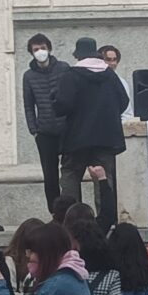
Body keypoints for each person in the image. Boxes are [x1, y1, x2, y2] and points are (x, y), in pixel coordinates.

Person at [60, 36, 131, 225]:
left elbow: (62, 105)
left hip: (76, 138)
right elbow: (123, 101)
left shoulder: (71, 75)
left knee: (70, 176)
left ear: (78, 55)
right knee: (103, 181)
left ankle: (71, 221)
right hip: (105, 139)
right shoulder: (110, 75)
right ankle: (107, 224)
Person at [20, 34, 73, 214]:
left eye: (42, 48)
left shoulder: (64, 68)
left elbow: (73, 95)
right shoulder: (28, 76)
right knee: (49, 175)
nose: (40, 52)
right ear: (31, 53)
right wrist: (33, 129)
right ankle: (55, 212)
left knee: (69, 173)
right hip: (44, 132)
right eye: (35, 49)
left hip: (66, 129)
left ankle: (71, 210)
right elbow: (28, 105)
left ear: (49, 48)